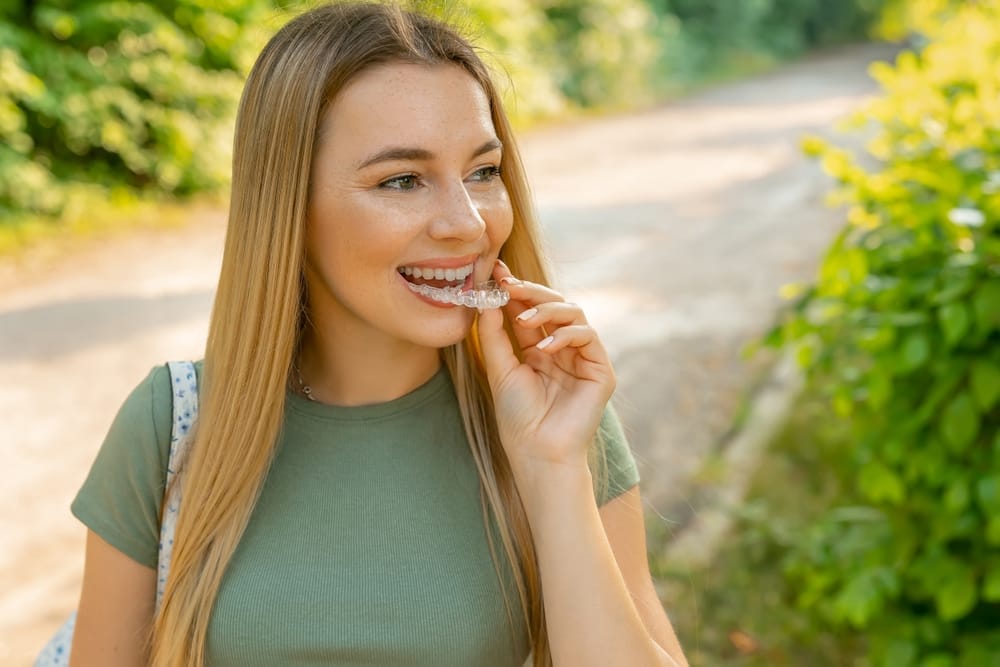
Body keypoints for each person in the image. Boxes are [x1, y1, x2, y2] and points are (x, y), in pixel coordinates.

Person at [67, 3, 688, 666]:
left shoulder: (558, 420)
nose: (469, 223)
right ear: (289, 209)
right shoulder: (170, 426)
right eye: (402, 180)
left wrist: (552, 468)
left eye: (482, 171)